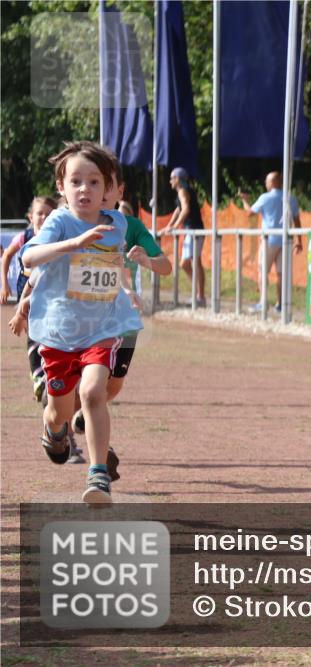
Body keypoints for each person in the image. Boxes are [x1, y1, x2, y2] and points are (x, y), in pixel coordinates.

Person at [21, 141, 143, 504]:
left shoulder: (118, 223)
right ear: (62, 187)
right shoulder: (59, 221)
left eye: (93, 182)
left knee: (92, 393)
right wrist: (74, 243)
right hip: (59, 331)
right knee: (60, 409)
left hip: (101, 329)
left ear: (108, 188)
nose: (84, 189)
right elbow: (30, 256)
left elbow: (111, 264)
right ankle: (54, 427)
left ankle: (98, 475)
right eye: (75, 182)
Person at [71, 160, 173, 436]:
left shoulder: (131, 226)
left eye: (106, 183)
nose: (99, 190)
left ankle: (87, 410)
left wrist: (147, 261)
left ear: (119, 191)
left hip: (121, 316)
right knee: (84, 380)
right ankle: (77, 430)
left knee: (114, 383)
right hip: (81, 315)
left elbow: (166, 266)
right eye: (93, 182)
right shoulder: (71, 222)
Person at [1, 196, 56, 401]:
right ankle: (38, 375)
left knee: (47, 332)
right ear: (31, 216)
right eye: (39, 213)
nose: (43, 217)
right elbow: (6, 255)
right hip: (27, 289)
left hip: (49, 292)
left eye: (48, 214)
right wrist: (5, 284)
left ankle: (49, 375)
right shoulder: (24, 237)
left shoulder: (59, 236)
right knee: (33, 330)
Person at [239, 172, 303, 312]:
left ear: (272, 183)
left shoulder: (265, 198)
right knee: (281, 273)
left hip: (269, 240)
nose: (265, 184)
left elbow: (250, 213)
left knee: (263, 270)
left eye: (267, 182)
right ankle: (280, 304)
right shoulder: (290, 198)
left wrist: (244, 200)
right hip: (286, 240)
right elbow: (297, 220)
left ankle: (263, 302)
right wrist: (299, 240)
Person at [162, 167, 206, 306]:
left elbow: (185, 209)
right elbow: (178, 210)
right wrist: (169, 225)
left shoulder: (183, 191)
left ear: (177, 179)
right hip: (192, 230)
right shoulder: (184, 191)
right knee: (190, 263)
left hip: (194, 230)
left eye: (171, 178)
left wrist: (174, 227)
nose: (170, 181)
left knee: (189, 263)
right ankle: (199, 295)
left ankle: (200, 296)